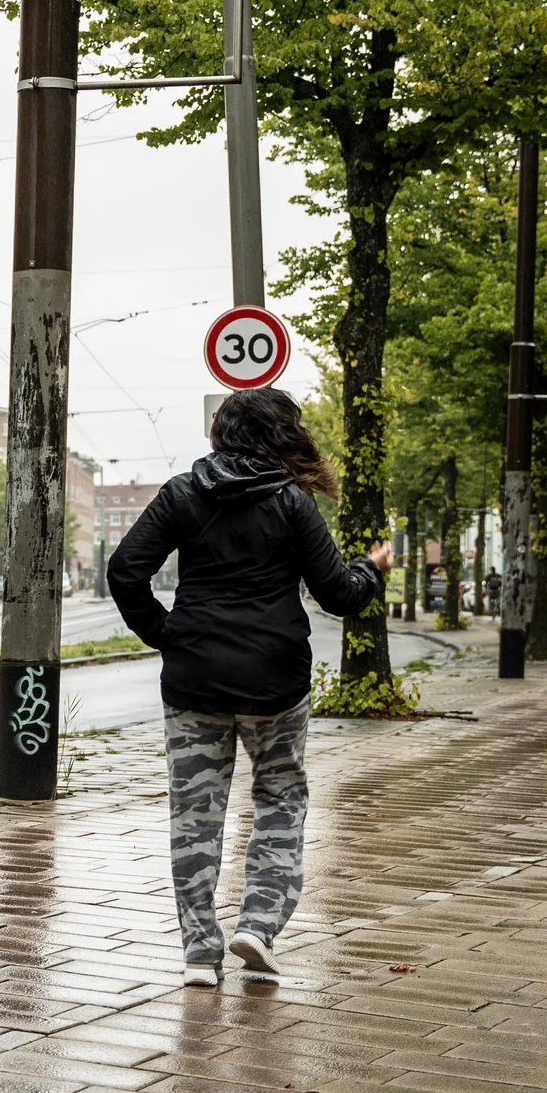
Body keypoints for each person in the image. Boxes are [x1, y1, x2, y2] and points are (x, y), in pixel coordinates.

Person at [106, 388, 390, 986]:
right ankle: (257, 926)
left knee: (194, 814)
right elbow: (339, 594)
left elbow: (125, 570)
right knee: (281, 799)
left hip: (194, 682)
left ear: (222, 433)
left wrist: (169, 635)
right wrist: (372, 568)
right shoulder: (292, 502)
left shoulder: (182, 493)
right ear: (281, 435)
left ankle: (199, 953)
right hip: (275, 682)